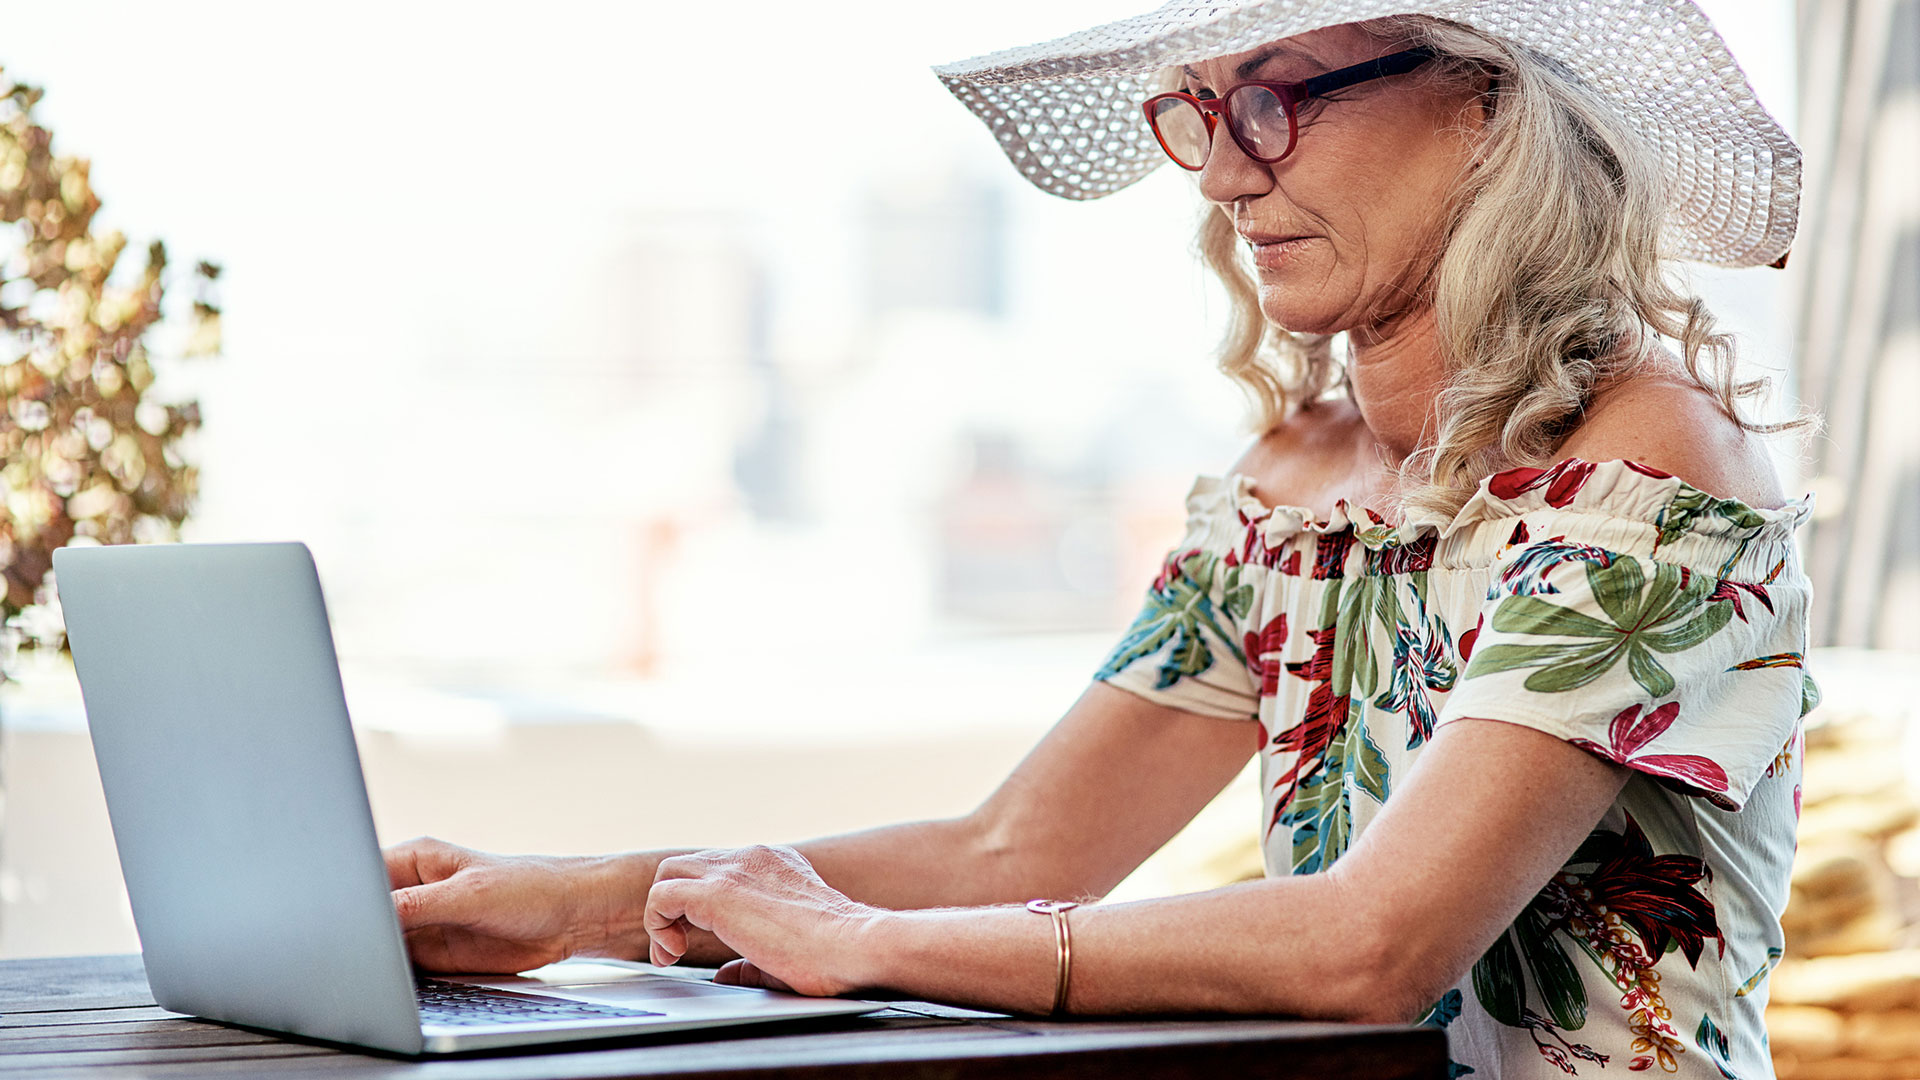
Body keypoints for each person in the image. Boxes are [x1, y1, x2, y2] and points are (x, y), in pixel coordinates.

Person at [385, 3, 1817, 1075]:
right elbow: (1006, 847)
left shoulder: (1651, 469)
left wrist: (872, 953)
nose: (1220, 176)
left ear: (1484, 105)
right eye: (1204, 111)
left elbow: (1374, 947)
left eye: (1276, 98)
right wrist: (562, 904)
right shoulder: (1289, 491)